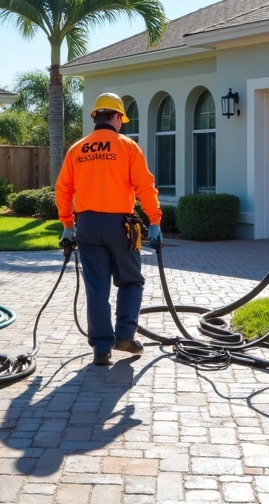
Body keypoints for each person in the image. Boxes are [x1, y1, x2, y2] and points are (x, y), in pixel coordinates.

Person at [55, 93, 162, 366]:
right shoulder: (127, 146)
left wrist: (68, 224)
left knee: (96, 286)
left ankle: (102, 349)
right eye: (121, 118)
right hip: (119, 226)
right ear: (116, 117)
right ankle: (125, 335)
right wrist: (155, 220)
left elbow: (63, 189)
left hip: (87, 225)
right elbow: (144, 186)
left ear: (95, 117)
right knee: (131, 280)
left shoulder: (77, 149)